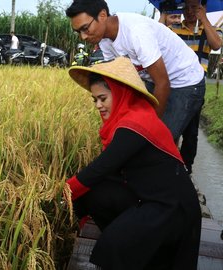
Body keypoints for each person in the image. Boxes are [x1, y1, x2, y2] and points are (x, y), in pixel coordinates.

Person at [66, 57, 202, 270]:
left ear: (121, 93)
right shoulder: (131, 118)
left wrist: (61, 192)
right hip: (149, 197)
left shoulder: (135, 124)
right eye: (95, 100)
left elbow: (101, 167)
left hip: (172, 208)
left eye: (102, 98)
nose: (98, 105)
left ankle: (138, 247)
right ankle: (138, 246)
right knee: (94, 194)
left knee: (113, 245)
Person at [65, 0, 205, 147]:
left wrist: (148, 129)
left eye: (85, 28)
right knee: (139, 129)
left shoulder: (136, 32)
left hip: (186, 81)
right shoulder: (105, 40)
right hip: (154, 80)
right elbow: (119, 80)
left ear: (102, 15)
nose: (83, 36)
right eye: (78, 32)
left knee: (158, 139)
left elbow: (163, 83)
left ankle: (176, 166)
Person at [170, 0, 222, 175]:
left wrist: (204, 19)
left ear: (203, 8)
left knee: (191, 132)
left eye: (194, 7)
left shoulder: (208, 29)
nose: (190, 11)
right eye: (186, 7)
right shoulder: (174, 28)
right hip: (175, 85)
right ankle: (170, 164)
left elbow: (216, 45)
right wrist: (164, 15)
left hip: (195, 88)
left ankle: (186, 168)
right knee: (172, 126)